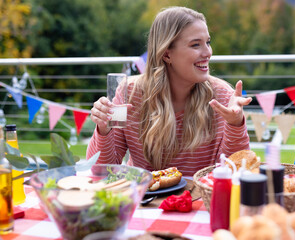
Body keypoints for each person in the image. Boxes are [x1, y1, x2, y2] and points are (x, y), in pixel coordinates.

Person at [86, 6, 252, 176]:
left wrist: (235, 124)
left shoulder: (222, 96)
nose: (208, 52)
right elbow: (102, 172)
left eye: (208, 42)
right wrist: (103, 130)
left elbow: (235, 173)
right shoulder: (130, 92)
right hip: (147, 199)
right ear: (166, 55)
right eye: (196, 45)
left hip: (198, 199)